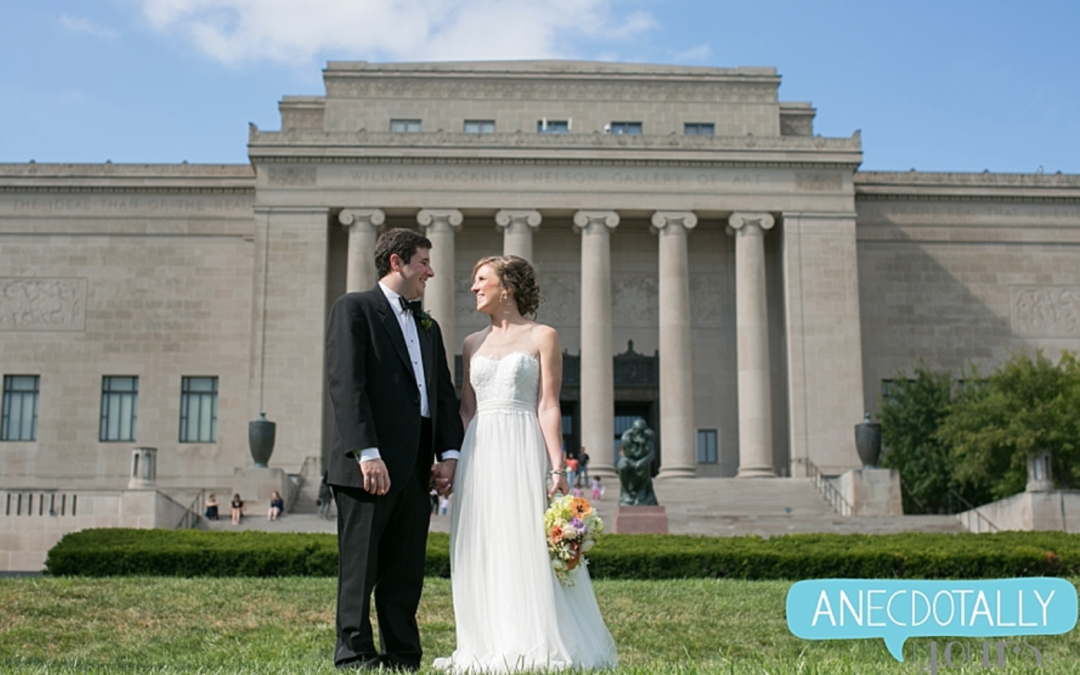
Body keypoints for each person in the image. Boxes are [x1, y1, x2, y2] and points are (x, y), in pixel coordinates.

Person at [434, 255, 618, 673]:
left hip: (522, 444)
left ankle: (532, 639)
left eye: (481, 280)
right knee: (482, 542)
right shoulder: (471, 343)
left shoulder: (543, 337)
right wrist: (452, 460)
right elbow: (465, 410)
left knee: (525, 543)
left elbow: (548, 405)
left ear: (507, 287)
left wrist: (558, 468)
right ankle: (484, 642)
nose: (473, 288)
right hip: (481, 448)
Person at [326, 228, 464, 671]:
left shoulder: (428, 324)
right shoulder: (354, 309)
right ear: (396, 263)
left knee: (405, 571)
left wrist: (448, 455)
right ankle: (355, 653)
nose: (431, 271)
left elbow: (441, 393)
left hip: (415, 466)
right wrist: (367, 453)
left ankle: (403, 655)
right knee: (361, 568)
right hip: (370, 464)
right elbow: (348, 385)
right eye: (423, 262)